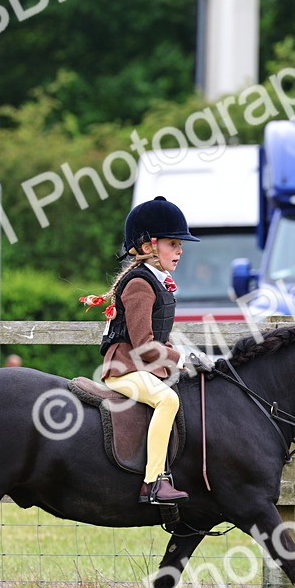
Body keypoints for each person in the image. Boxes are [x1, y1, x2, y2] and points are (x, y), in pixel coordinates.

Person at [82, 196, 200, 505]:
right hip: (125, 370)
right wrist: (183, 358)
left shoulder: (156, 281)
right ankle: (153, 483)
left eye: (180, 244)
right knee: (167, 399)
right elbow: (145, 346)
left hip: (142, 367)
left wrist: (184, 358)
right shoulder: (139, 284)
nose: (180, 250)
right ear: (149, 247)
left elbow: (159, 339)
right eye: (173, 243)